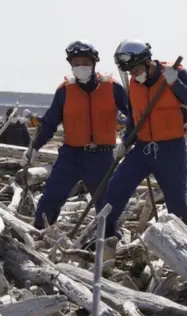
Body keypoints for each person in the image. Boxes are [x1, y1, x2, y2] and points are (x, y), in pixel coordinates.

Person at [20, 40, 129, 230]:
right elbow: (49, 123)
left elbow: (135, 115)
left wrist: (129, 139)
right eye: (76, 63)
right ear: (70, 65)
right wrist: (34, 147)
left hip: (102, 156)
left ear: (94, 63)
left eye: (85, 62)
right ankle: (39, 233)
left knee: (107, 202)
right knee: (51, 196)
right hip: (71, 156)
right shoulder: (64, 90)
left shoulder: (112, 87)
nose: (81, 67)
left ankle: (109, 241)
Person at [104, 39, 187, 238]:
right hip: (142, 149)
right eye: (129, 72)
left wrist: (175, 83)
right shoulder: (133, 83)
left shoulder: (176, 73)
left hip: (171, 149)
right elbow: (135, 118)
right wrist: (125, 142)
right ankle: (105, 235)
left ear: (147, 61)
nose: (134, 75)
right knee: (116, 189)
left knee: (176, 203)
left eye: (135, 69)